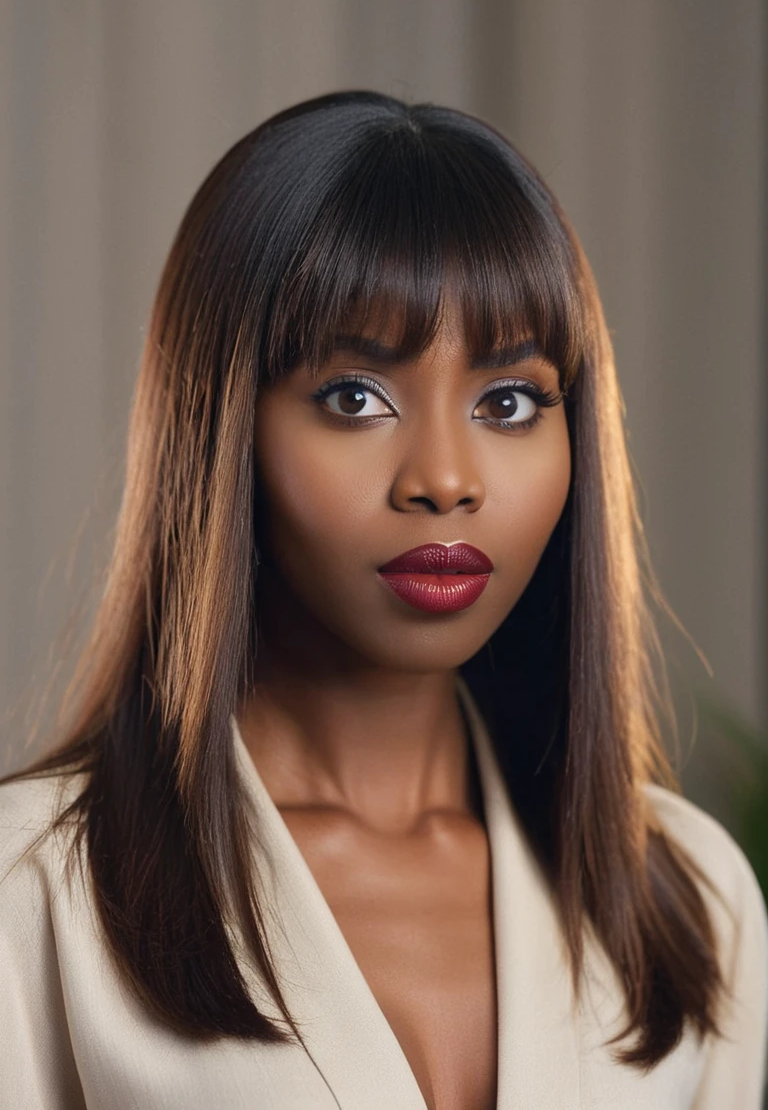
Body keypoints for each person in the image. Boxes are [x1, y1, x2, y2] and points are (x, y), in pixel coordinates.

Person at [1, 91, 766, 1110]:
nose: (445, 478)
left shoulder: (694, 901)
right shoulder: (37, 888)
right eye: (355, 395)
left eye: (510, 400)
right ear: (222, 428)